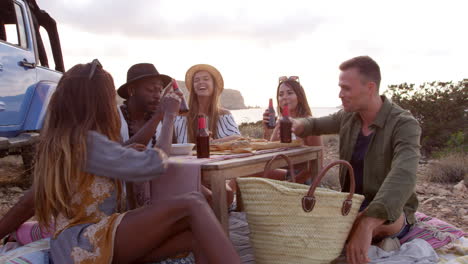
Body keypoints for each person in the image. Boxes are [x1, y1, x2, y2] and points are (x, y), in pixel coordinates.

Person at [3, 61, 241, 264]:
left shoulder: (68, 139)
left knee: (192, 237)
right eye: (108, 98)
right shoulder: (87, 142)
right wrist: (168, 116)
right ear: (96, 102)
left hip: (84, 242)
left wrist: (124, 151)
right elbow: (153, 165)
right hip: (85, 243)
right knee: (192, 202)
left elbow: (99, 165)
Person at [292, 56, 421, 264]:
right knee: (303, 214)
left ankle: (374, 235)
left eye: (346, 88)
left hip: (389, 209)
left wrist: (367, 222)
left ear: (370, 88)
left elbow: (404, 174)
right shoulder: (348, 117)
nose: (340, 94)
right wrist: (297, 124)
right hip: (352, 204)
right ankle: (372, 239)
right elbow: (314, 124)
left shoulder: (404, 124)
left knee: (384, 219)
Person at [261, 76, 322, 182]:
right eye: (281, 94)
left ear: (299, 96)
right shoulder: (281, 123)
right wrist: (267, 130)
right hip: (286, 175)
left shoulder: (309, 124)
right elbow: (268, 154)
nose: (284, 97)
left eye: (289, 93)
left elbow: (318, 164)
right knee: (242, 173)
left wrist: (291, 183)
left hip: (304, 180)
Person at [173, 64, 241, 144]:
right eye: (196, 80)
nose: (201, 82)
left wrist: (213, 142)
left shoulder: (224, 114)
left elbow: (237, 138)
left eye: (206, 79)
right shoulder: (180, 116)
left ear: (213, 85)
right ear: (193, 87)